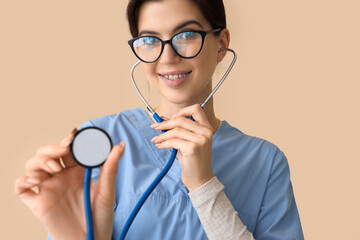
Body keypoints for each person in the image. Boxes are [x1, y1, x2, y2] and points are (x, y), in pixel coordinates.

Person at [15, 0, 304, 239]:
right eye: (150, 40)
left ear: (221, 44)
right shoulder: (98, 140)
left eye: (186, 35)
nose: (167, 57)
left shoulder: (265, 163)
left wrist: (204, 186)